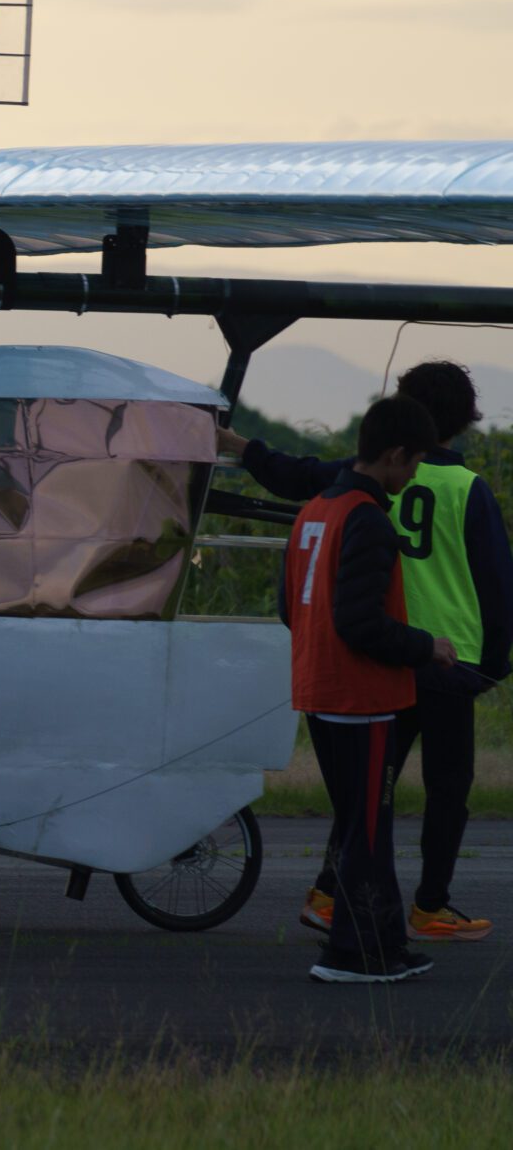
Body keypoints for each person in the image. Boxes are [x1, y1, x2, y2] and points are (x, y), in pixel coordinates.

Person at [222, 359, 510, 944]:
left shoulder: (364, 474)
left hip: (384, 656)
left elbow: (291, 473)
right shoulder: (468, 489)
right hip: (448, 660)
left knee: (367, 794)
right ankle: (431, 905)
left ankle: (331, 892)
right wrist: (494, 665)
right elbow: (498, 584)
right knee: (448, 790)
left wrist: (240, 445)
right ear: (461, 423)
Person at [279, 394, 458, 984]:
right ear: (394, 455)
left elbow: (289, 608)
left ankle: (384, 949)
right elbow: (359, 623)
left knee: (364, 827)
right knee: (369, 831)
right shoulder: (369, 520)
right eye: (413, 466)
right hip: (362, 701)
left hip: (319, 692)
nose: (412, 478)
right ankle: (351, 956)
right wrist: (424, 646)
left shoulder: (314, 510)